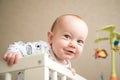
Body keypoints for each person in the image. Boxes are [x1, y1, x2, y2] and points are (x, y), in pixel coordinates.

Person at [3, 14, 88, 80]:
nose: (73, 45)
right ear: (51, 38)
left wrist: (67, 74)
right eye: (67, 36)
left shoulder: (67, 64)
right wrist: (14, 53)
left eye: (79, 41)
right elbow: (18, 46)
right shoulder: (41, 48)